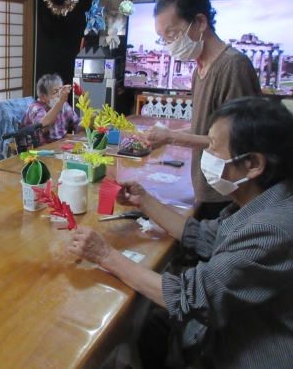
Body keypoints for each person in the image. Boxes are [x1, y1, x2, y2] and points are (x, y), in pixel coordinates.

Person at [70, 97, 293, 368]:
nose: (206, 154)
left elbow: (191, 297)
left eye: (214, 147)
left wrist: (105, 255)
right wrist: (144, 200)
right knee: (152, 328)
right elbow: (206, 236)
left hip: (237, 355)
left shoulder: (272, 229)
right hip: (217, 333)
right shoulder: (265, 202)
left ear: (253, 164)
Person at [139, 0, 261, 220]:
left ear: (200, 22)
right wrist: (164, 136)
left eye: (172, 34)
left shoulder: (233, 66)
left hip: (230, 194)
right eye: (163, 39)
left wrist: (171, 137)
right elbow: (205, 130)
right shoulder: (200, 70)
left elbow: (236, 143)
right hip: (207, 187)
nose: (169, 44)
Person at [20, 73, 82, 145]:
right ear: (42, 97)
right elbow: (42, 128)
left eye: (61, 90)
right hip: (36, 148)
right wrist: (60, 102)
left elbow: (77, 126)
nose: (60, 95)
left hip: (59, 145)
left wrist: (88, 124)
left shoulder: (64, 105)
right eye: (55, 92)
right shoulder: (35, 107)